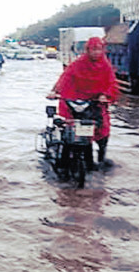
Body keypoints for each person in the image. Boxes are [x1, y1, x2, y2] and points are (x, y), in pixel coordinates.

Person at [47, 37, 118, 171]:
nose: (96, 52)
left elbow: (111, 83)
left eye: (99, 49)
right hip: (75, 102)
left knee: (103, 129)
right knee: (70, 129)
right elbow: (65, 78)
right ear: (88, 50)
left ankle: (101, 157)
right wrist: (54, 91)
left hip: (95, 103)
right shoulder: (77, 64)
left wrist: (105, 95)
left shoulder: (105, 66)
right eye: (93, 49)